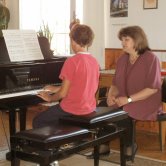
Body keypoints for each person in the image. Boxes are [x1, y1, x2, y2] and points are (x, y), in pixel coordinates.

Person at [106, 25, 162, 160]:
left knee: (125, 110)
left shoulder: (151, 58)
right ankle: (103, 147)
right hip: (125, 98)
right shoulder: (122, 59)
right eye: (122, 40)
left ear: (137, 40)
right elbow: (115, 83)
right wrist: (110, 95)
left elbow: (153, 88)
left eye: (126, 39)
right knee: (103, 108)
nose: (122, 43)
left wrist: (129, 99)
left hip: (147, 100)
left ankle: (129, 146)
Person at [32, 24, 100, 128]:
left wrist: (50, 98)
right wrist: (54, 89)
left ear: (73, 40)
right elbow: (77, 85)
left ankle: (58, 142)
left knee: (38, 121)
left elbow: (63, 94)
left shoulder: (72, 61)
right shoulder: (94, 62)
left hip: (71, 109)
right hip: (88, 108)